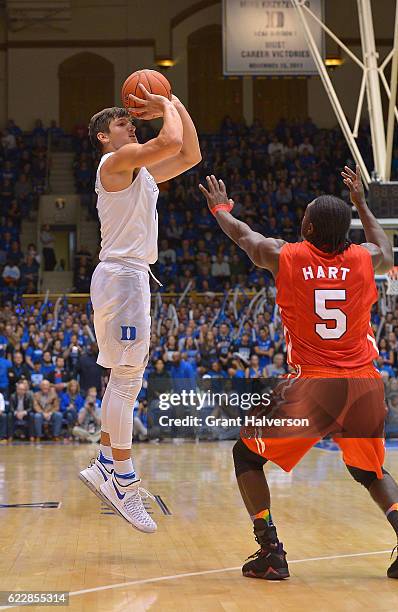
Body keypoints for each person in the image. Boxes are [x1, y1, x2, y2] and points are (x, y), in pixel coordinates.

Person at [199, 166, 398, 580]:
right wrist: (361, 203)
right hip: (363, 382)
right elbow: (386, 248)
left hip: (314, 384)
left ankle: (270, 550)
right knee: (371, 472)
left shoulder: (286, 255)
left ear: (307, 226)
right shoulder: (365, 260)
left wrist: (220, 207)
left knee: (246, 456)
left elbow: (244, 237)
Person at [79, 83, 201, 533]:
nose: (130, 123)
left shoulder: (140, 172)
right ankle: (123, 482)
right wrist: (164, 105)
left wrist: (176, 103)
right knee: (127, 380)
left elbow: (189, 155)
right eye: (122, 122)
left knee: (124, 377)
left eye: (131, 120)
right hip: (121, 279)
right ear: (104, 138)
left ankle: (104, 465)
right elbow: (168, 141)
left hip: (129, 280)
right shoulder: (114, 162)